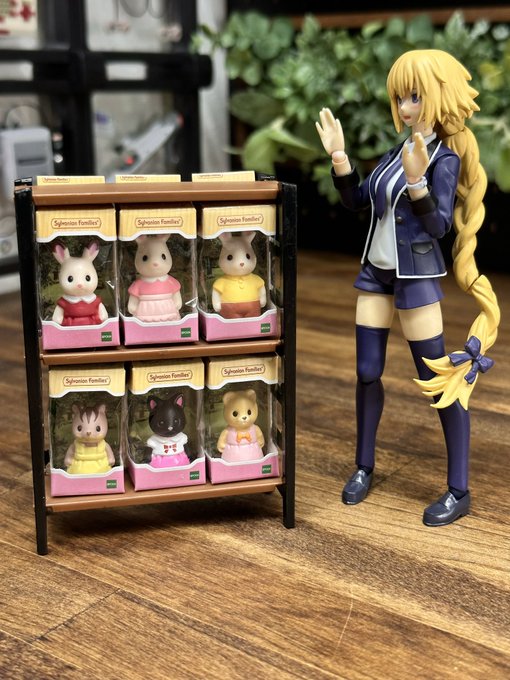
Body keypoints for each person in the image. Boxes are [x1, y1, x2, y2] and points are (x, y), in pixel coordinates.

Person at [316, 49, 500, 526]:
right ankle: (364, 466)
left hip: (415, 277)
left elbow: (439, 226)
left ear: (438, 97)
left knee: (437, 380)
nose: (404, 107)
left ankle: (459, 489)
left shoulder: (443, 159)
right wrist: (340, 158)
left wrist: (418, 184)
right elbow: (358, 200)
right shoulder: (394, 154)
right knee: (366, 371)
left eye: (414, 97)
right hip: (375, 274)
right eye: (400, 98)